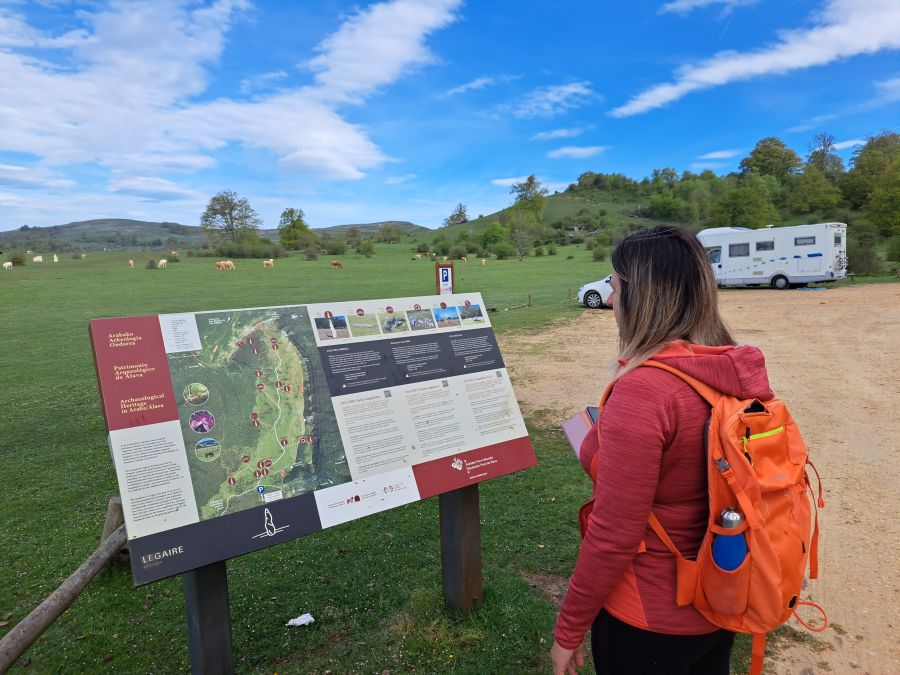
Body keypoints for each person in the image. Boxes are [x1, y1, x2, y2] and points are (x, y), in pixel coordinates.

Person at [551, 226, 774, 675]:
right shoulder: (726, 371)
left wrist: (568, 630)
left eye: (614, 286)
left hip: (647, 618)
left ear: (641, 295)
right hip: (718, 596)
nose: (611, 301)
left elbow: (614, 534)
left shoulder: (646, 392)